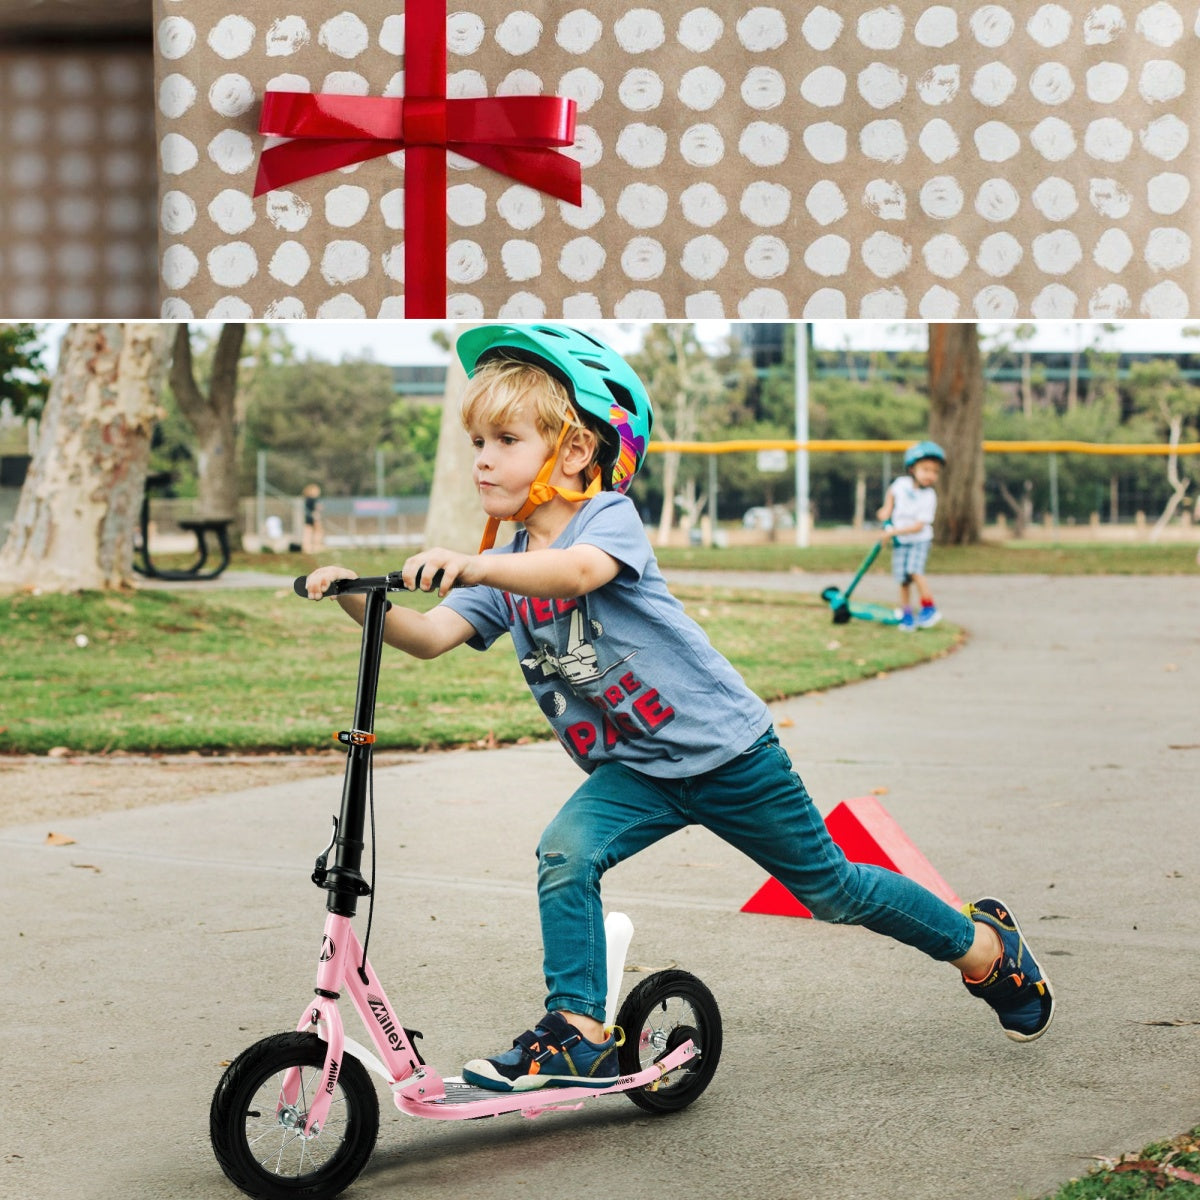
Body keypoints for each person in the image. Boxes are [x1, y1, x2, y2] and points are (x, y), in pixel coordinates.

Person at [305, 326, 1054, 1093]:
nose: (483, 458)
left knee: (833, 891)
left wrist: (476, 561)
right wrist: (356, 601)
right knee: (566, 852)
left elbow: (576, 573)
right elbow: (429, 635)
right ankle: (577, 1031)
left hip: (731, 758)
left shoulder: (605, 523)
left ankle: (983, 949)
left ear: (573, 451)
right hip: (639, 770)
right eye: (476, 441)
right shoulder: (503, 572)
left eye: (504, 438)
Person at [876, 441, 945, 631]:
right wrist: (886, 509)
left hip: (919, 540)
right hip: (901, 542)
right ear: (912, 468)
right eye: (925, 469)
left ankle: (929, 608)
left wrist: (892, 532)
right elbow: (891, 494)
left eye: (935, 471)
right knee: (903, 579)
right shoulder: (901, 484)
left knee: (914, 570)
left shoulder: (929, 496)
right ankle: (907, 614)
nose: (930, 475)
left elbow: (918, 526)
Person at [301, 483, 323, 554]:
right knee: (318, 533)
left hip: (307, 518)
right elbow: (317, 508)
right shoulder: (314, 499)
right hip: (314, 517)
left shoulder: (306, 499)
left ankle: (307, 548)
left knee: (307, 533)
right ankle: (316, 547)